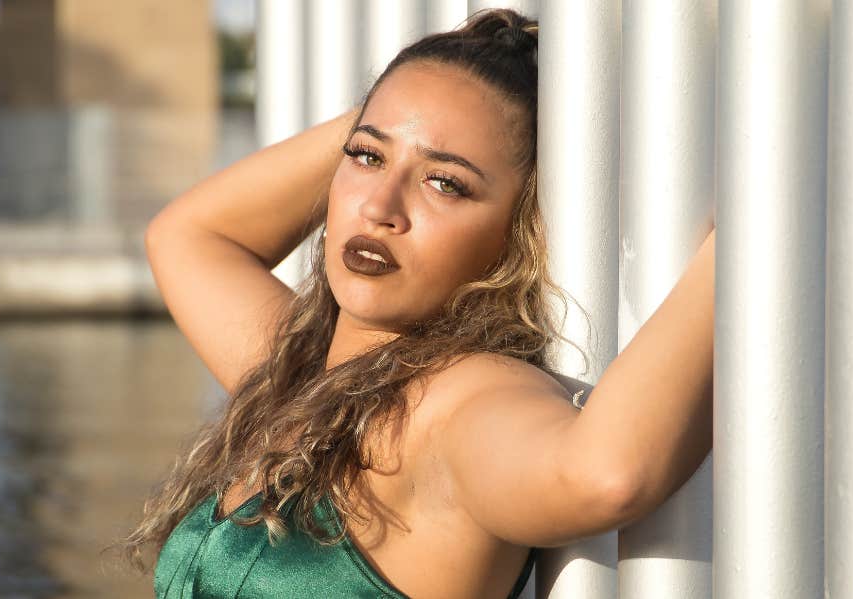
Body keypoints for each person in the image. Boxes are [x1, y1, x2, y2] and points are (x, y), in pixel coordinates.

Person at [123, 8, 715, 599]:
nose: (380, 206)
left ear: (522, 231)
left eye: (446, 183)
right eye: (365, 157)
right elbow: (186, 236)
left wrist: (748, 234)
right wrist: (412, 101)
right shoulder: (300, 375)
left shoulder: (455, 404)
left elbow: (604, 476)